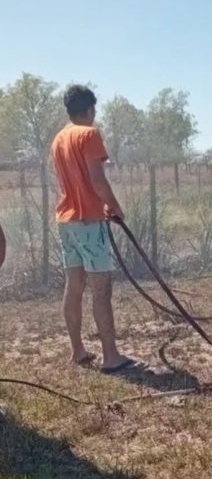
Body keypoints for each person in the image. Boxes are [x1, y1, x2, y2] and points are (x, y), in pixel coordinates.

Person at [51, 85, 133, 373]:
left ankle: (78, 351)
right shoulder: (89, 134)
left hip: (66, 220)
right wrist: (114, 206)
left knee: (74, 286)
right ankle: (111, 356)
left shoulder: (59, 138)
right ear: (90, 110)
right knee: (101, 289)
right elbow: (97, 181)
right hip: (88, 221)